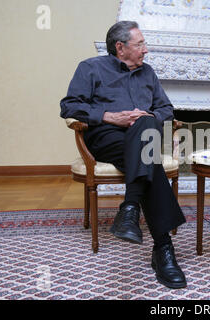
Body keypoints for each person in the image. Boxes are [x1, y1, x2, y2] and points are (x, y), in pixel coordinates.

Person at [60, 21, 187, 289]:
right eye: (140, 44)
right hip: (107, 137)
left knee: (146, 127)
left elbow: (166, 108)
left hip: (144, 136)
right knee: (150, 158)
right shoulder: (90, 68)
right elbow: (69, 106)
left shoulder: (148, 73)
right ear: (121, 47)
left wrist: (149, 117)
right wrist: (109, 116)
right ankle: (163, 250)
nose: (146, 50)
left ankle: (131, 210)